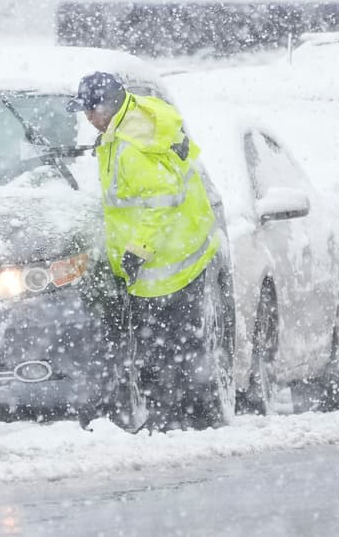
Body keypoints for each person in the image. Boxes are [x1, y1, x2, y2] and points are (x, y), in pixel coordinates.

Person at [66, 72, 226, 432]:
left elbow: (160, 201)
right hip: (188, 242)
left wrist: (137, 251)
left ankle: (171, 420)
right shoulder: (139, 116)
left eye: (90, 110)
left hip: (167, 260)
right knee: (180, 344)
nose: (87, 118)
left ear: (108, 107)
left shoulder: (131, 147)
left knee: (161, 349)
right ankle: (188, 417)